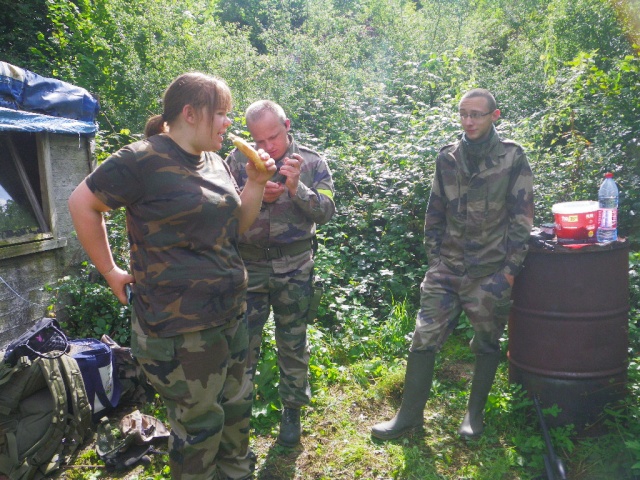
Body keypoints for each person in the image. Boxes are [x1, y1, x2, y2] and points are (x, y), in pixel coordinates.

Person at [68, 72, 276, 480]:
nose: (228, 123)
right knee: (199, 426)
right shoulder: (141, 159)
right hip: (180, 329)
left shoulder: (214, 160)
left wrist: (254, 183)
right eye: (221, 113)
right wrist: (111, 271)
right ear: (190, 113)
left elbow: (234, 228)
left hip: (230, 315)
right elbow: (81, 203)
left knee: (235, 410)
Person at [371, 88, 534, 441]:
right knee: (423, 339)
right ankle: (408, 417)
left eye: (476, 114)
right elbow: (434, 211)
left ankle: (473, 417)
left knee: (487, 342)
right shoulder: (447, 157)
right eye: (463, 113)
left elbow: (522, 220)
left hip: (489, 272)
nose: (469, 121)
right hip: (447, 269)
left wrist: (509, 272)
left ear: (495, 115)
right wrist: (434, 260)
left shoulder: (511, 157)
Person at [225, 100, 335, 447]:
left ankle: (292, 412)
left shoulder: (313, 161)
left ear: (287, 125)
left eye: (273, 136)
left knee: (292, 342)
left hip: (295, 268)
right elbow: (224, 213)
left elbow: (327, 211)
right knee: (242, 347)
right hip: (250, 268)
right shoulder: (237, 161)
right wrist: (254, 193)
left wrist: (295, 188)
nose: (266, 146)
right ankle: (238, 417)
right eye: (258, 140)